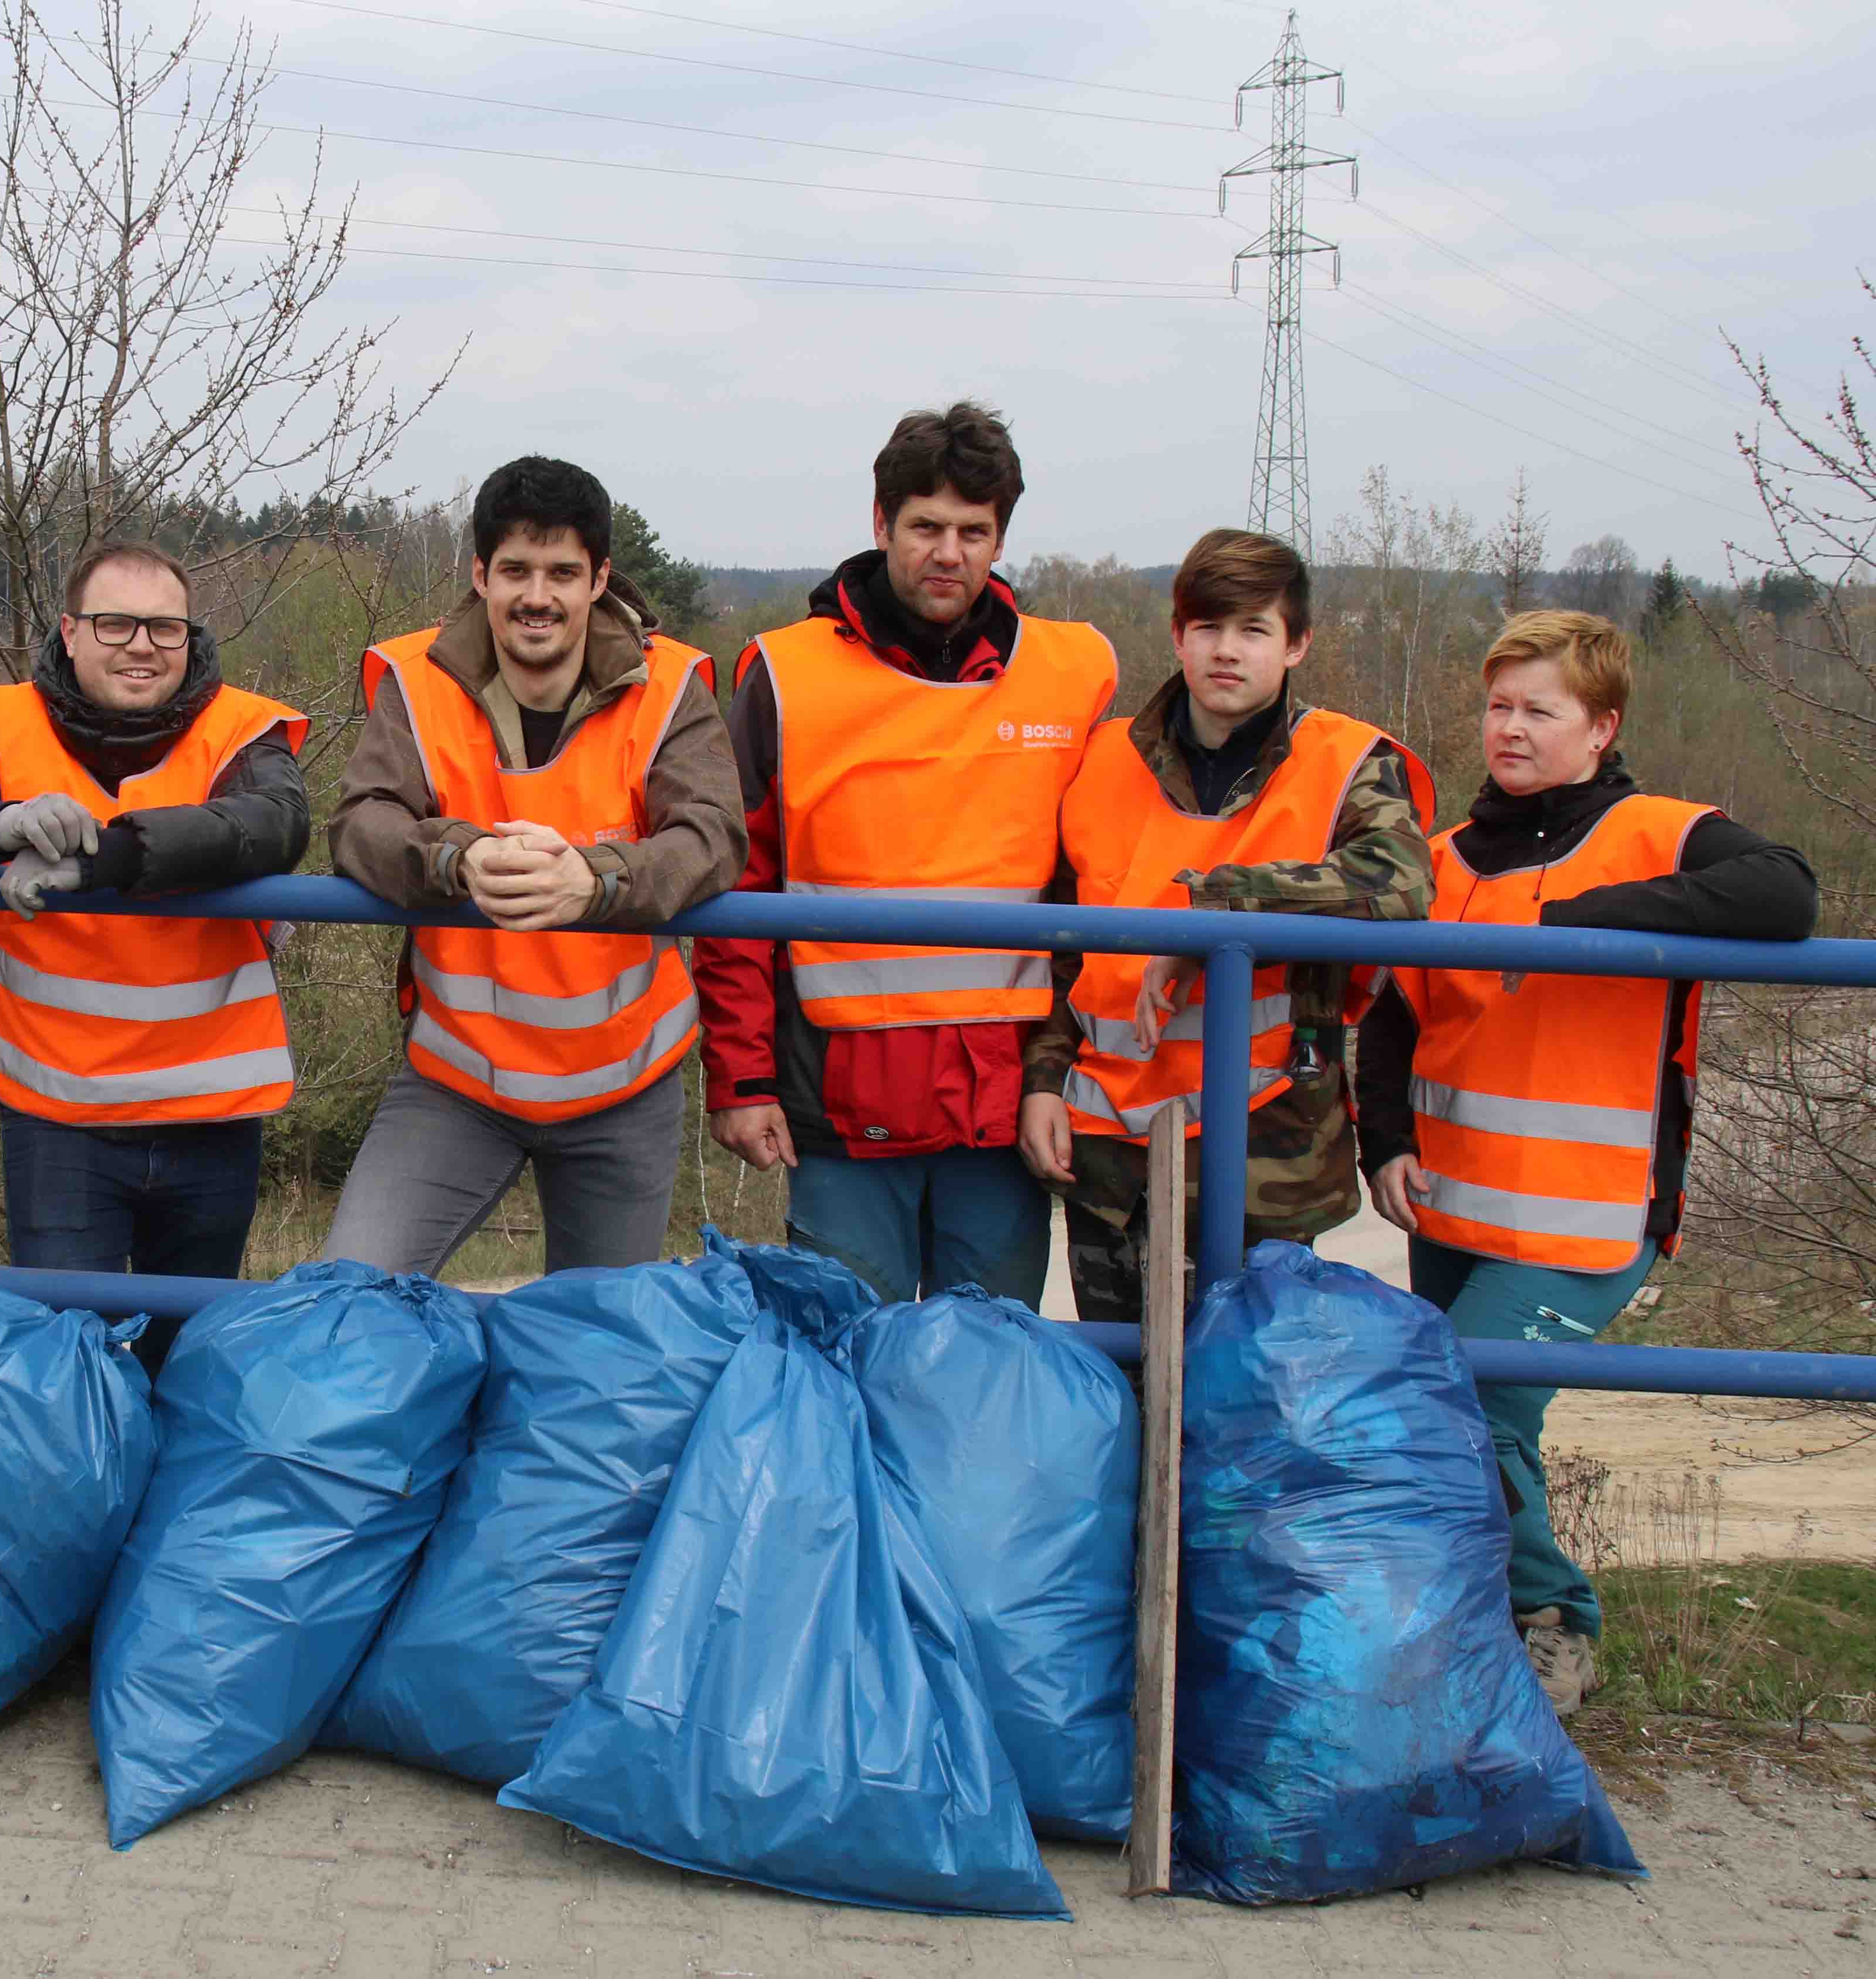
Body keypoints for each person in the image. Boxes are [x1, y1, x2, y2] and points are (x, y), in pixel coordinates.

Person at [1357, 608, 1816, 1716]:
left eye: (1539, 710)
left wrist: (1590, 923)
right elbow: (1392, 1014)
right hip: (1454, 1207)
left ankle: (1557, 1620)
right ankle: (1478, 1631)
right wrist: (1387, 1143)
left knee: (1469, 1404)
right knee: (1467, 1414)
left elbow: (1786, 894)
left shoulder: (1659, 830)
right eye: (1498, 706)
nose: (1509, 730)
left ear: (1601, 726)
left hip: (1587, 1217)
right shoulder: (1452, 857)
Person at [0, 540, 309, 1374]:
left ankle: (170, 1509)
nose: (142, 645)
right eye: (116, 624)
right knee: (70, 1367)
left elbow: (276, 823)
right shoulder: (5, 724)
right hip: (61, 1119)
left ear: (190, 635)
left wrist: (106, 859)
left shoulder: (242, 726)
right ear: (69, 631)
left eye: (165, 627)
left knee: (189, 1366)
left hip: (211, 1114)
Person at [694, 402, 1117, 1305]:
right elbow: (736, 890)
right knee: (846, 1365)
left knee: (987, 1375)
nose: (948, 552)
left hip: (1003, 1110)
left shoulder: (1074, 674)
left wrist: (1068, 1073)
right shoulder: (785, 675)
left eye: (975, 531)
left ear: (1002, 539)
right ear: (881, 523)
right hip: (841, 1110)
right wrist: (740, 1076)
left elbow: (1103, 890)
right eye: (926, 526)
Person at [322, 455, 745, 1274]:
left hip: (624, 1089)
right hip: (455, 1080)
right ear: (480, 574)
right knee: (350, 1293)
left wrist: (598, 879)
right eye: (515, 569)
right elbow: (361, 823)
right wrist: (457, 856)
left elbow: (714, 837)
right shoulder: (414, 681)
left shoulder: (670, 688)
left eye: (562, 571)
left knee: (596, 1355)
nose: (538, 596)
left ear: (600, 579)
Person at [1017, 527, 1434, 1323]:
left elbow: (1401, 881)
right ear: (1178, 635)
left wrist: (1213, 914)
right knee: (1124, 1402)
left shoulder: (1345, 760)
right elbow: (1066, 952)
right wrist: (1043, 1080)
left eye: (1254, 629)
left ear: (1298, 643)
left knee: (1247, 1411)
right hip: (1110, 1158)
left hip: (1265, 1159)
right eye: (1208, 627)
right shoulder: (1100, 762)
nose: (1226, 650)